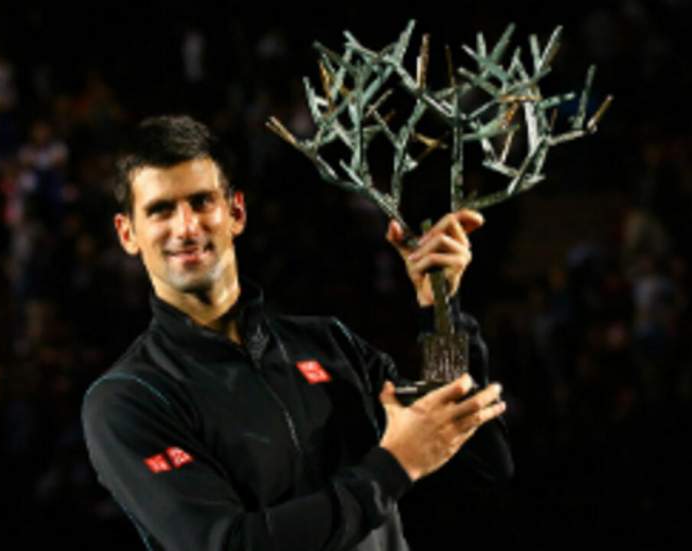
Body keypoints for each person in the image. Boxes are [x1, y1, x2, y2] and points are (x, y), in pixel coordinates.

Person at [81, 115, 512, 550]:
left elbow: (481, 463)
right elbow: (229, 545)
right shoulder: (128, 400)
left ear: (236, 213)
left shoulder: (329, 344)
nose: (186, 227)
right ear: (128, 233)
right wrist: (395, 465)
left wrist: (440, 310)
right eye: (161, 210)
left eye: (201, 202)